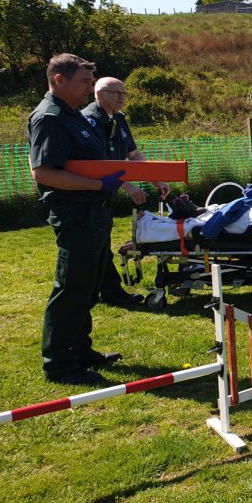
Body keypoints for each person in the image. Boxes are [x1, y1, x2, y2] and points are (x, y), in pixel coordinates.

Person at [27, 54, 126, 383]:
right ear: (59, 80)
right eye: (84, 82)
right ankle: (60, 364)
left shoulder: (73, 115)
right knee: (70, 289)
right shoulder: (49, 118)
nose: (89, 88)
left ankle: (80, 351)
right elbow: (44, 172)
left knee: (87, 287)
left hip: (94, 212)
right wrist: (98, 184)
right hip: (75, 214)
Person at [83, 77, 169, 306]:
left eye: (124, 93)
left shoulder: (119, 119)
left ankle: (108, 293)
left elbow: (133, 156)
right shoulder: (90, 121)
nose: (122, 98)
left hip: (105, 194)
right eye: (115, 93)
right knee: (95, 247)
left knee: (101, 246)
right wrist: (128, 186)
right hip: (89, 194)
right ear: (99, 94)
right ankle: (104, 294)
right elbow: (102, 162)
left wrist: (156, 180)